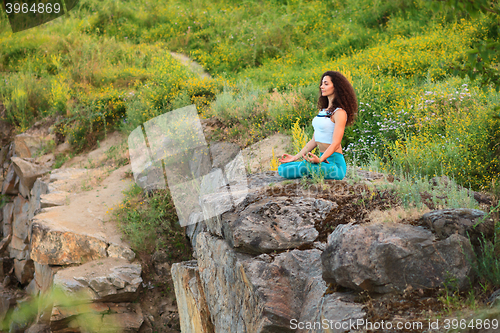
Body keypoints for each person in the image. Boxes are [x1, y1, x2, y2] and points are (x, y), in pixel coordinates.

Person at [278, 71, 358, 180]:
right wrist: (294, 157)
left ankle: (315, 169)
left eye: (326, 84)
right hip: (321, 161)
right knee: (283, 168)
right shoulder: (322, 111)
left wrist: (320, 160)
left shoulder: (339, 112)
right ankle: (312, 168)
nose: (321, 86)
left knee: (303, 166)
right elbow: (314, 141)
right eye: (322, 83)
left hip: (335, 166)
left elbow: (336, 143)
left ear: (336, 87)